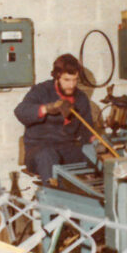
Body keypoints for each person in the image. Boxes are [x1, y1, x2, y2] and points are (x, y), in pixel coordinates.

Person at [14, 53, 98, 182]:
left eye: (75, 80)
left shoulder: (81, 98)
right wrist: (46, 108)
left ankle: (98, 198)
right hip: (39, 150)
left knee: (98, 157)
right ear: (56, 77)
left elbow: (87, 131)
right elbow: (20, 112)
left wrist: (97, 143)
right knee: (48, 156)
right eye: (67, 80)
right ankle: (52, 196)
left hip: (66, 149)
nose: (71, 85)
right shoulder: (41, 91)